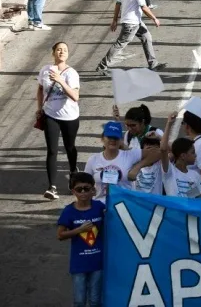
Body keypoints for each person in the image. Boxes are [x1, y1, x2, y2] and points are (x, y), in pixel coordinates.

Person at [96, 0, 163, 76]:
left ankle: (153, 63)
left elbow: (118, 3)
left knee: (147, 37)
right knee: (120, 44)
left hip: (135, 21)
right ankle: (102, 66)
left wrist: (114, 20)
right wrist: (154, 18)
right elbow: (143, 7)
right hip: (131, 23)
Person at [39, 42, 81, 200]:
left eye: (64, 50)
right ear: (53, 53)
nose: (61, 52)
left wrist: (60, 80)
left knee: (70, 147)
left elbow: (75, 96)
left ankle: (73, 172)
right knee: (52, 150)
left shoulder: (72, 73)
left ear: (68, 54)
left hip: (69, 116)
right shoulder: (45, 70)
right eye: (58, 49)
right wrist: (39, 108)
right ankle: (52, 187)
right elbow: (40, 89)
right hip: (50, 115)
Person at [57, 172, 105, 307]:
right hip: (78, 264)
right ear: (73, 191)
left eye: (86, 188)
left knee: (95, 300)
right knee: (79, 301)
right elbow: (60, 235)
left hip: (98, 262)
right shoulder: (68, 211)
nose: (83, 192)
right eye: (79, 189)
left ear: (93, 190)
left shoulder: (100, 207)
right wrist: (79, 230)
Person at [83, 121, 148, 203]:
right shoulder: (93, 159)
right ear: (102, 139)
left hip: (124, 206)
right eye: (109, 137)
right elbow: (84, 184)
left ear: (121, 140)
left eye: (116, 138)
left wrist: (138, 167)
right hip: (100, 206)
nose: (112, 140)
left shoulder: (130, 155)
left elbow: (157, 153)